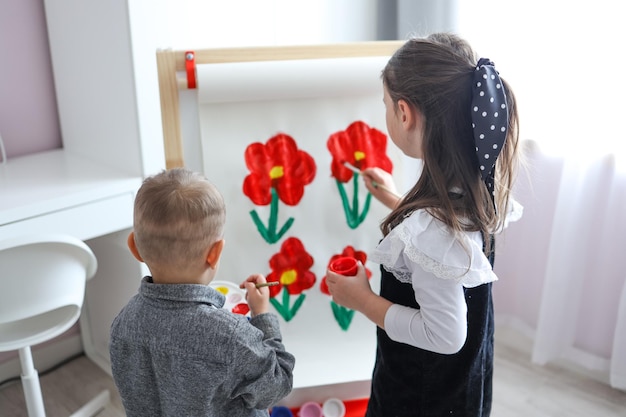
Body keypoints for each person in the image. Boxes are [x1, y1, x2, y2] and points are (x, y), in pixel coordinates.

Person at [326, 33, 522, 417]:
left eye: (385, 104)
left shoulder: (432, 231)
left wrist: (362, 301)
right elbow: (449, 244)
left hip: (421, 399)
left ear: (404, 113)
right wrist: (396, 201)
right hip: (462, 386)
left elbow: (446, 335)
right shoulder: (476, 186)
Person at [109, 168, 295, 417]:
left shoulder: (122, 324)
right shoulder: (232, 337)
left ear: (134, 247)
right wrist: (262, 316)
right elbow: (278, 385)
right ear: (215, 253)